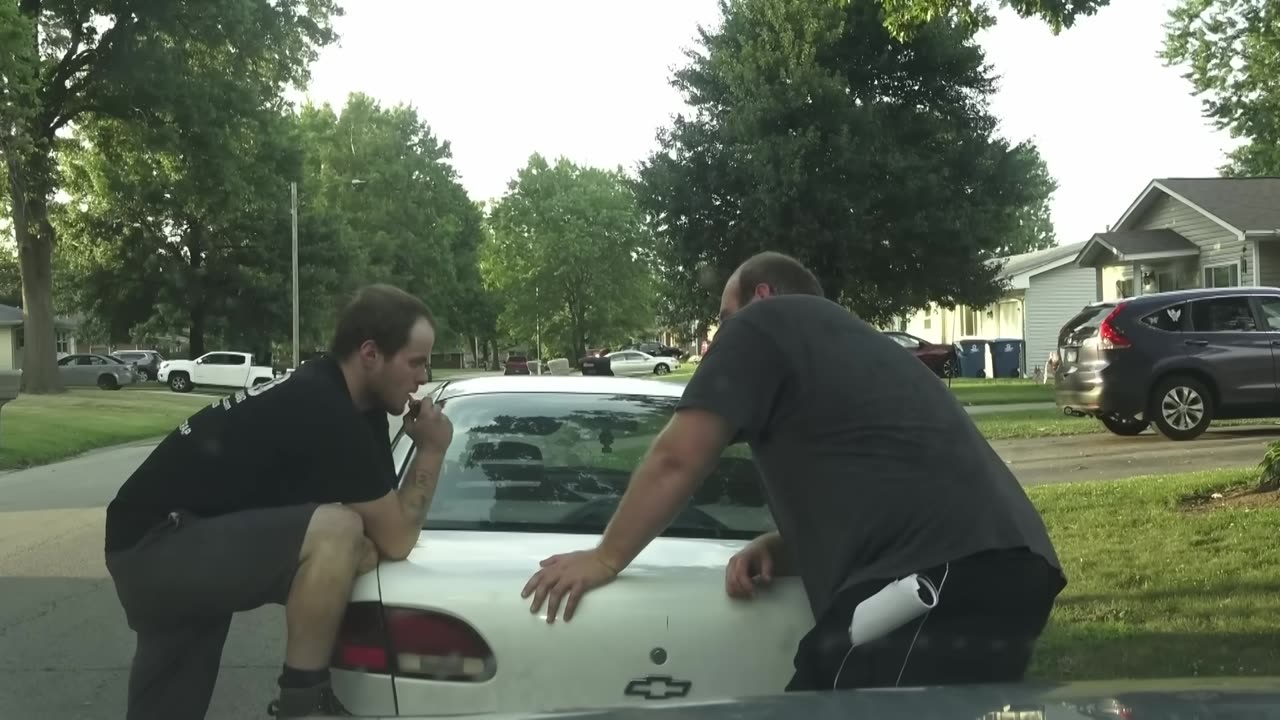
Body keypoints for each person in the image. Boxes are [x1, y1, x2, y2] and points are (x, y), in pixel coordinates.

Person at [521, 251, 1066, 691]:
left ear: (760, 296)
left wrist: (606, 557)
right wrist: (784, 546)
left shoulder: (762, 323)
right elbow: (880, 480)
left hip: (933, 576)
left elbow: (678, 456)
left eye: (722, 316)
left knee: (823, 695)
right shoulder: (854, 348)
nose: (721, 334)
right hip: (1006, 566)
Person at [103, 284, 454, 719]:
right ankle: (304, 702)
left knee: (168, 705)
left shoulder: (354, 406)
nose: (424, 377)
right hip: (157, 541)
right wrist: (433, 452)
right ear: (370, 354)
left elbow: (384, 528)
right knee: (339, 532)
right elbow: (398, 538)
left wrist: (367, 543)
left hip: (172, 539)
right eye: (416, 362)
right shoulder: (326, 408)